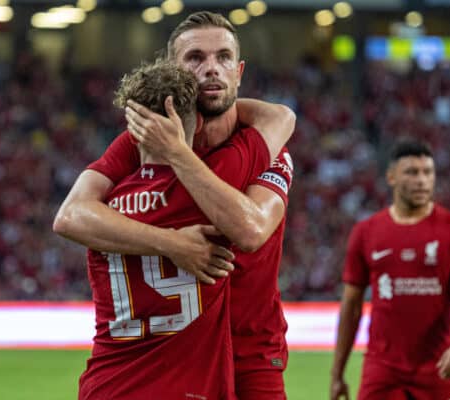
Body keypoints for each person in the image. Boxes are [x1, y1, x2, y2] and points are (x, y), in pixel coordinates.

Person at [54, 11, 296, 399]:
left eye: (223, 58)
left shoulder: (269, 149)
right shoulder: (139, 145)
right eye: (196, 58)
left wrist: (178, 154)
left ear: (239, 71)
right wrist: (173, 243)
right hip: (179, 354)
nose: (211, 69)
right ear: (174, 70)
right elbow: (70, 215)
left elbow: (252, 230)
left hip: (251, 352)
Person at [330, 139, 450, 400]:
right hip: (382, 369)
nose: (422, 180)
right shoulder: (367, 232)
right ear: (391, 177)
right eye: (412, 172)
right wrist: (337, 374)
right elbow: (351, 306)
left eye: (428, 172)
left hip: (437, 369)